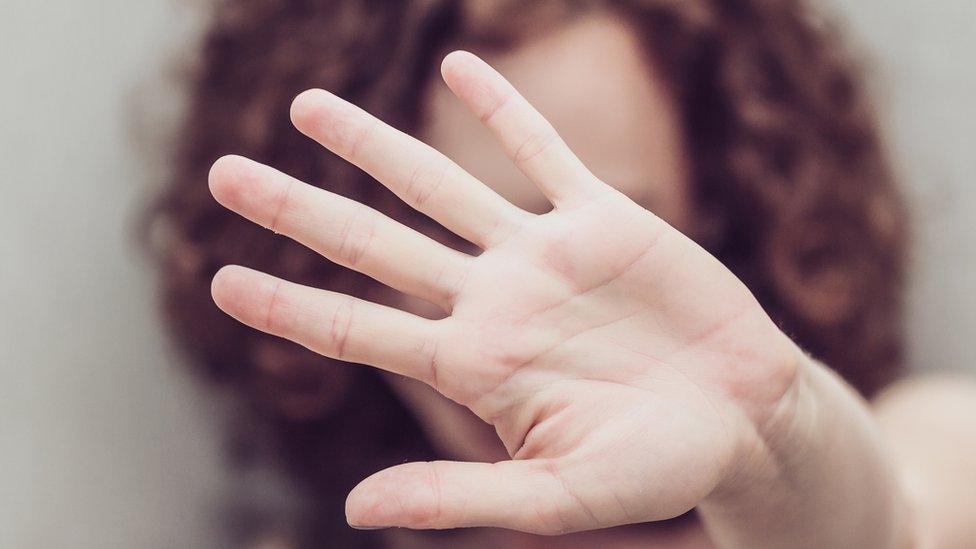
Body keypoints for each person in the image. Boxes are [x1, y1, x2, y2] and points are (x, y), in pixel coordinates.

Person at [148, 1, 976, 547]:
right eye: (440, 230)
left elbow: (893, 520)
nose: (515, 307)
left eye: (586, 231)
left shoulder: (937, 437)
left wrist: (770, 427)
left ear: (714, 216)